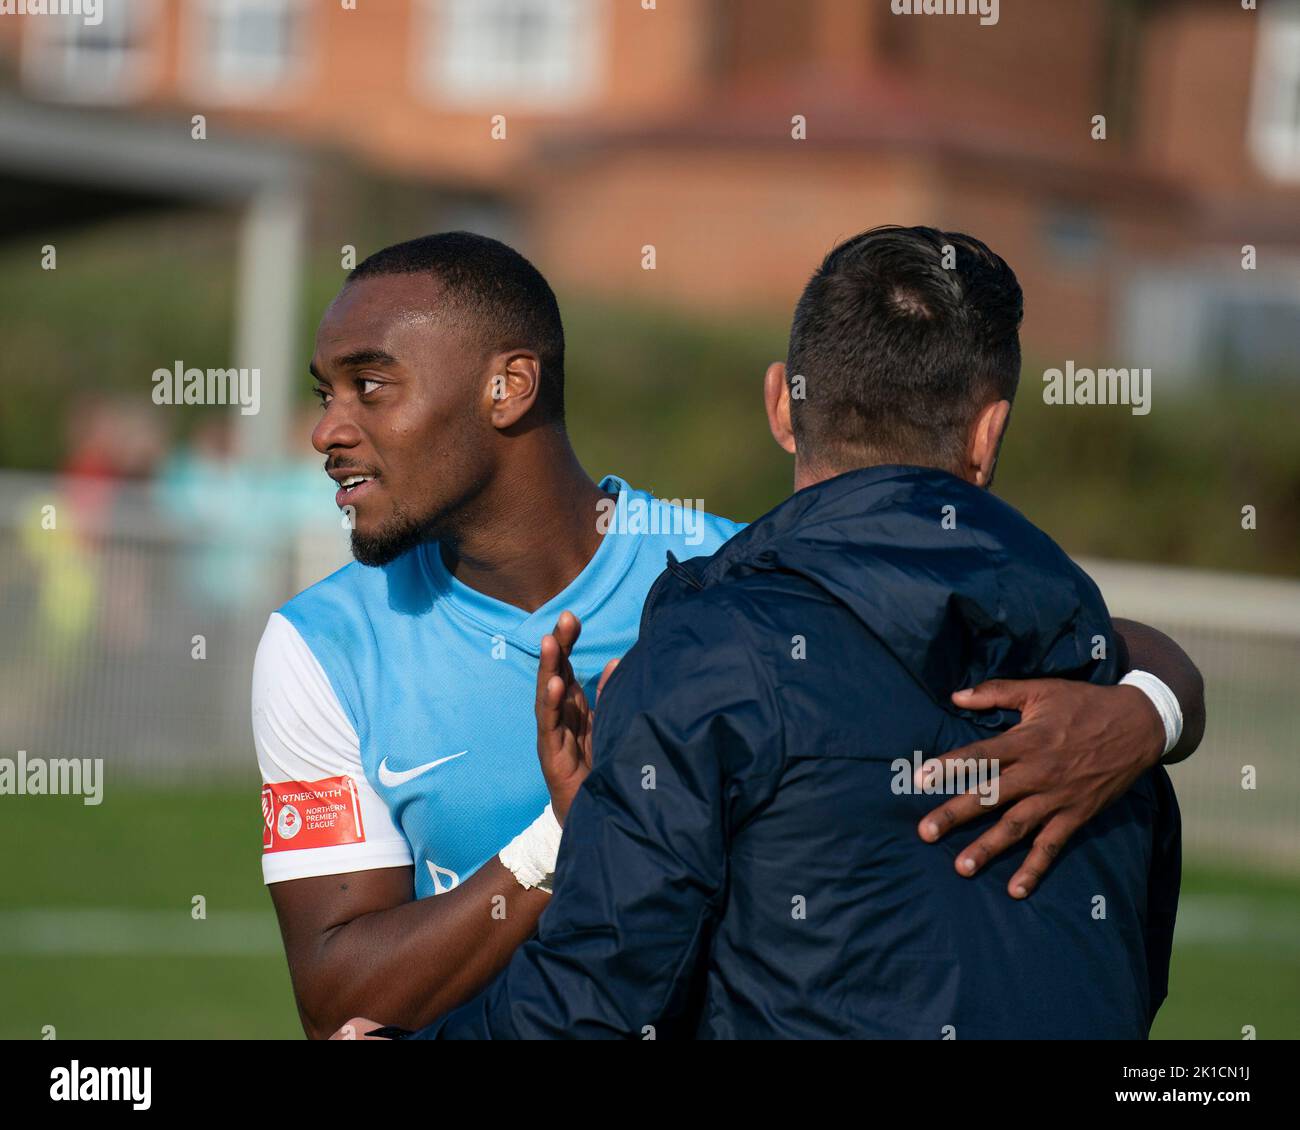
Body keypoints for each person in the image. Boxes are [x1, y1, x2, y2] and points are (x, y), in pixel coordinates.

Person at [256, 231, 1200, 1039]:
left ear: (509, 386)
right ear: (988, 436)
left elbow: (1074, 640)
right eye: (325, 389)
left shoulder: (727, 584)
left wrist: (1145, 712)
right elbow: (339, 996)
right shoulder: (317, 649)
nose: (325, 429)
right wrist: (555, 839)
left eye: (368, 385)